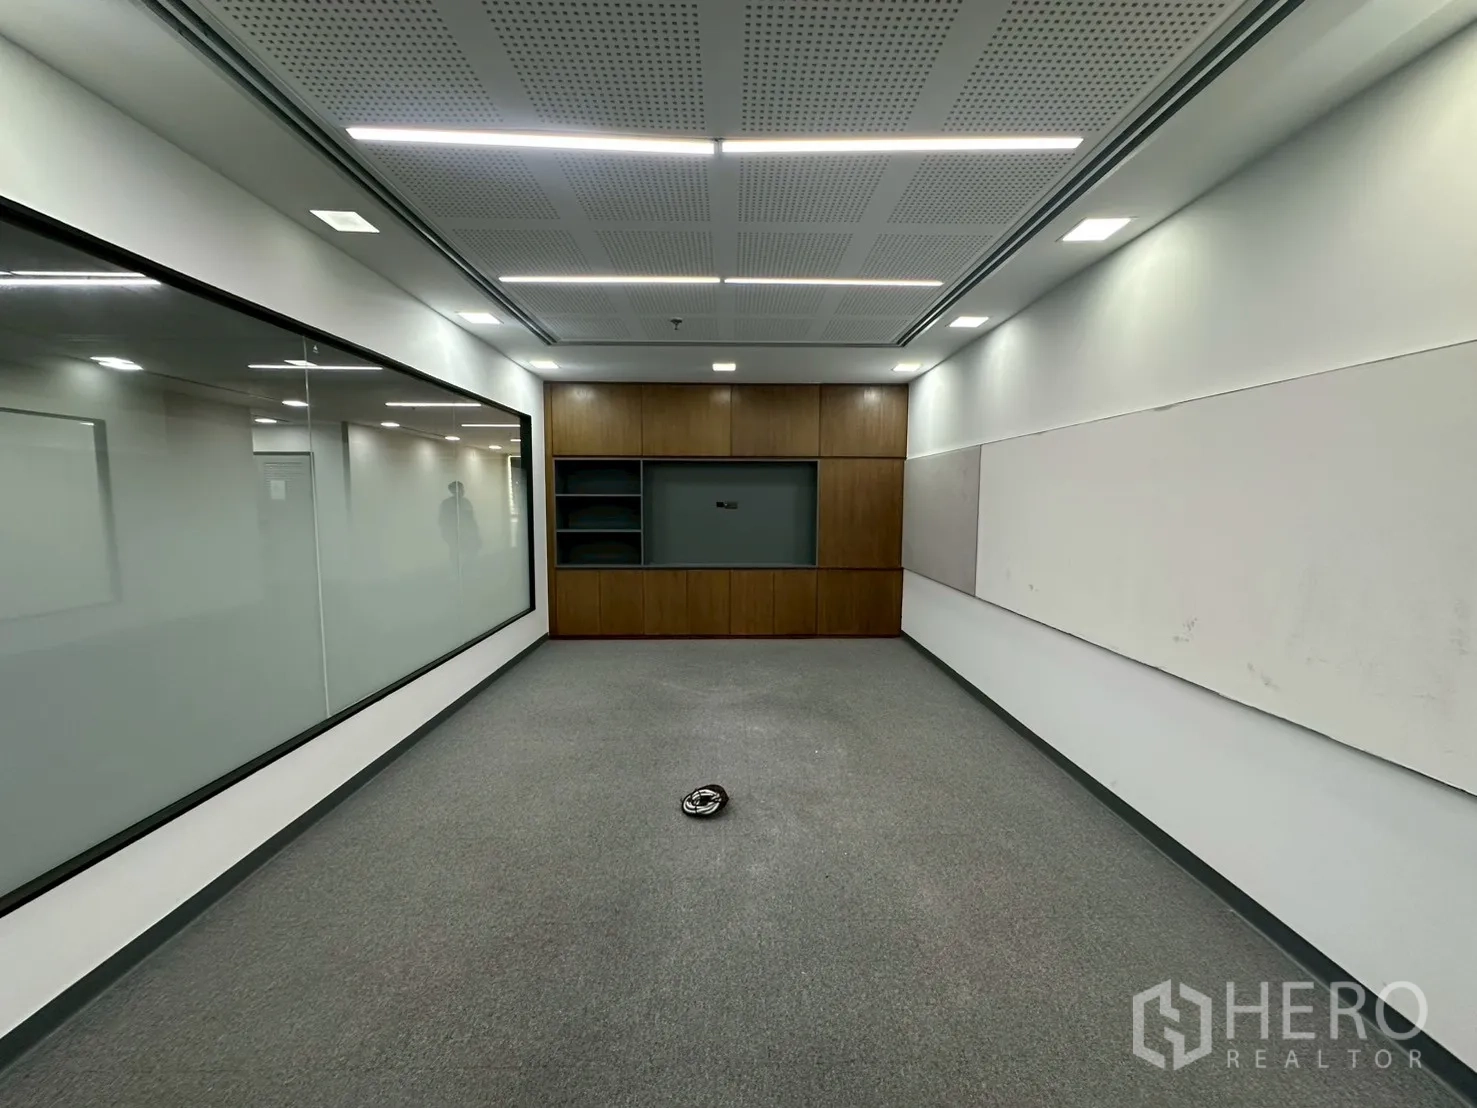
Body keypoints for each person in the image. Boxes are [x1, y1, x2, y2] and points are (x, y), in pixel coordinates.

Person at [438, 480, 482, 566]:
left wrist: (475, 533)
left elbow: (471, 519)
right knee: (456, 552)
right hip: (453, 533)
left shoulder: (466, 502)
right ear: (454, 490)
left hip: (467, 533)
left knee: (471, 552)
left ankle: (467, 570)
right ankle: (456, 571)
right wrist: (449, 532)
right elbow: (442, 520)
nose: (462, 491)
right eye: (461, 489)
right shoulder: (446, 503)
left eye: (462, 489)